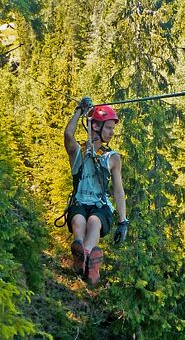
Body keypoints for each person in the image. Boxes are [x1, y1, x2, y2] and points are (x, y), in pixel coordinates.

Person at [64, 97, 128, 285]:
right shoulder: (78, 152)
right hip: (79, 202)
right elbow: (68, 134)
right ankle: (84, 256)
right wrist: (79, 111)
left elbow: (118, 189)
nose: (112, 132)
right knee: (78, 219)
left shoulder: (112, 158)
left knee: (93, 221)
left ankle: (86, 256)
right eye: (108, 127)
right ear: (95, 127)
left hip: (100, 206)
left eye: (112, 128)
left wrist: (123, 221)